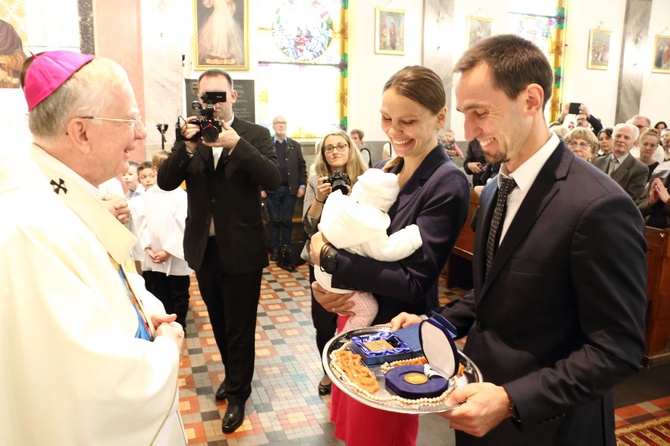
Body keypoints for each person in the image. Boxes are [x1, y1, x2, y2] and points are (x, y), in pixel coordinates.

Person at [391, 34, 647, 446]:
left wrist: (512, 399)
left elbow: (617, 348)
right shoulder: (495, 189)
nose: (470, 130)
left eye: (480, 112)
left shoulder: (599, 207)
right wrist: (433, 323)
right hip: (480, 404)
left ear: (530, 100)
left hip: (551, 425)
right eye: (464, 113)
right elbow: (495, 292)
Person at [3, 50, 186, 444]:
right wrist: (166, 351)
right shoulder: (28, 227)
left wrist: (145, 314)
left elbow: (109, 283)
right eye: (130, 119)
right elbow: (88, 382)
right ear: (81, 133)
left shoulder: (65, 195)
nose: (140, 134)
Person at [310, 65, 470, 445]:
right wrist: (335, 290)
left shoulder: (447, 182)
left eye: (408, 121)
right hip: (360, 319)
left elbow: (414, 282)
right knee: (351, 430)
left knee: (380, 436)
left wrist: (331, 259)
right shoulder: (385, 167)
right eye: (386, 118)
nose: (394, 130)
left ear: (440, 117)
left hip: (396, 333)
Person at [157, 68, 281, 434]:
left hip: (242, 249)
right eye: (206, 96)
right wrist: (188, 145)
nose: (212, 102)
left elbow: (273, 179)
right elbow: (165, 182)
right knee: (219, 322)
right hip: (204, 249)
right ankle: (232, 374)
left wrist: (236, 145)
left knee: (240, 326)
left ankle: (239, 394)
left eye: (219, 95)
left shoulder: (254, 134)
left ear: (233, 96)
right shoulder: (191, 135)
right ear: (198, 98)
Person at [301, 130, 368, 396]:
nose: (335, 151)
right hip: (320, 262)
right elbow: (309, 226)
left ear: (351, 149)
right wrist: (319, 197)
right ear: (323, 154)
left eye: (341, 146)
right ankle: (328, 370)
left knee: (356, 314)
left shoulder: (364, 181)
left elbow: (370, 221)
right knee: (323, 320)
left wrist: (352, 197)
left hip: (354, 261)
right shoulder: (316, 180)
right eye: (329, 148)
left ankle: (351, 366)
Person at [314, 168, 422, 332]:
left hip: (324, 274)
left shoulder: (341, 208)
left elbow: (319, 233)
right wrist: (412, 236)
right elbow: (387, 249)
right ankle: (345, 337)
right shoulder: (369, 228)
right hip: (341, 283)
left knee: (347, 311)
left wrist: (323, 249)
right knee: (367, 310)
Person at [133, 151, 193, 330]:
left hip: (175, 255)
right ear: (157, 169)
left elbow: (183, 224)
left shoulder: (181, 195)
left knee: (179, 294)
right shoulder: (147, 195)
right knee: (158, 293)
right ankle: (162, 327)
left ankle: (178, 326)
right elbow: (141, 222)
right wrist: (148, 248)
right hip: (153, 256)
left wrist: (168, 250)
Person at [262, 115, 306, 261]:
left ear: (286, 126)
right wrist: (260, 187)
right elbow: (259, 166)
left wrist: (302, 185)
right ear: (273, 126)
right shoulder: (267, 144)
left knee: (287, 220)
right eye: (277, 123)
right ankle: (274, 249)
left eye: (283, 123)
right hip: (271, 190)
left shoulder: (295, 145)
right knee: (274, 220)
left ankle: (286, 248)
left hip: (290, 190)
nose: (280, 125)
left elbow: (301, 166)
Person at [594, 123, 648, 201]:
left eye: (626, 137)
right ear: (612, 139)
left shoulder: (640, 169)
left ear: (634, 143)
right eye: (618, 136)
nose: (621, 140)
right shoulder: (599, 161)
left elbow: (631, 199)